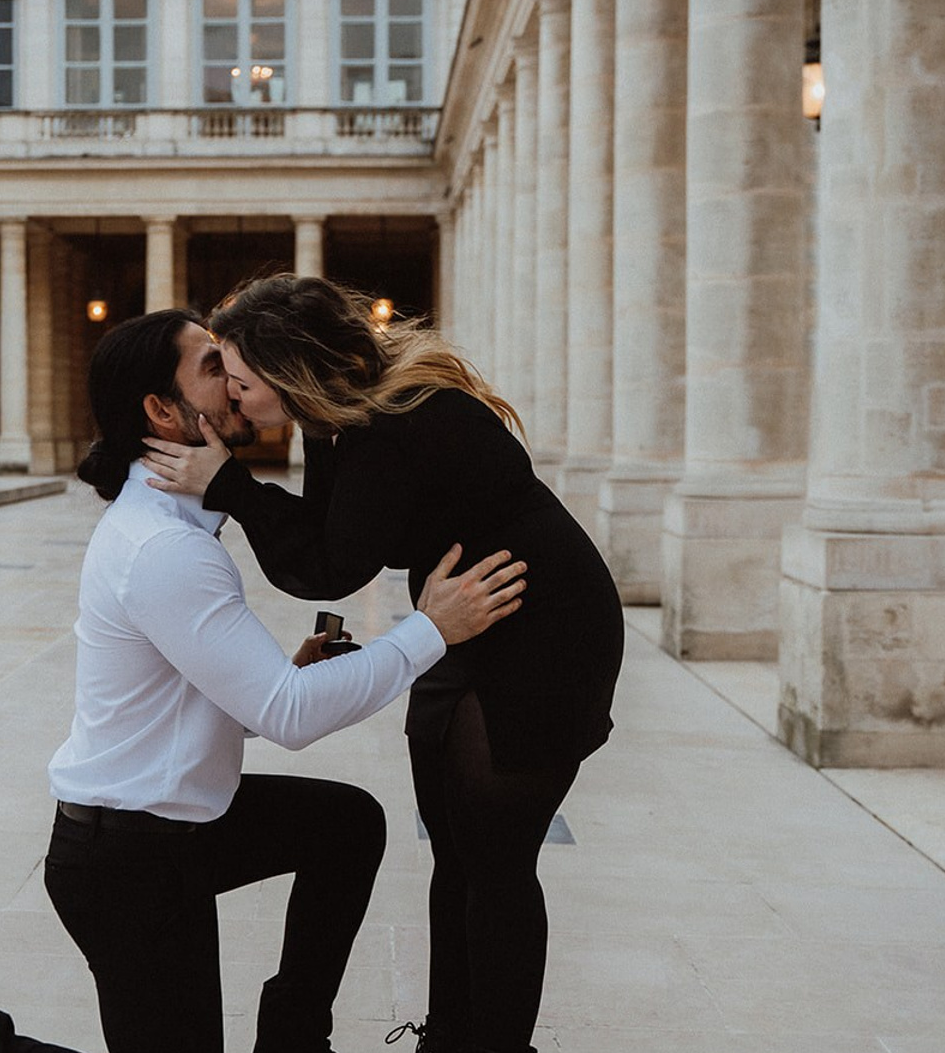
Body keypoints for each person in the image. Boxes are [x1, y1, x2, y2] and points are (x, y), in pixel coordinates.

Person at [0, 307, 526, 1053]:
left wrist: (279, 675)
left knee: (346, 826)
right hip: (125, 862)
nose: (240, 381)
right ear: (161, 410)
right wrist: (431, 629)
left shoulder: (177, 526)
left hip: (180, 828)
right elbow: (291, 717)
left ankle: (292, 1035)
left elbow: (211, 692)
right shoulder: (164, 549)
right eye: (214, 368)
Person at [142, 276, 626, 1053]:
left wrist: (230, 485)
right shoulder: (343, 420)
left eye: (239, 378)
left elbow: (330, 568)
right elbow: (324, 540)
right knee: (454, 852)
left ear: (289, 371)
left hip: (544, 630)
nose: (231, 394)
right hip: (465, 620)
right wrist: (246, 479)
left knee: (495, 861)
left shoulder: (395, 423)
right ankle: (451, 1038)